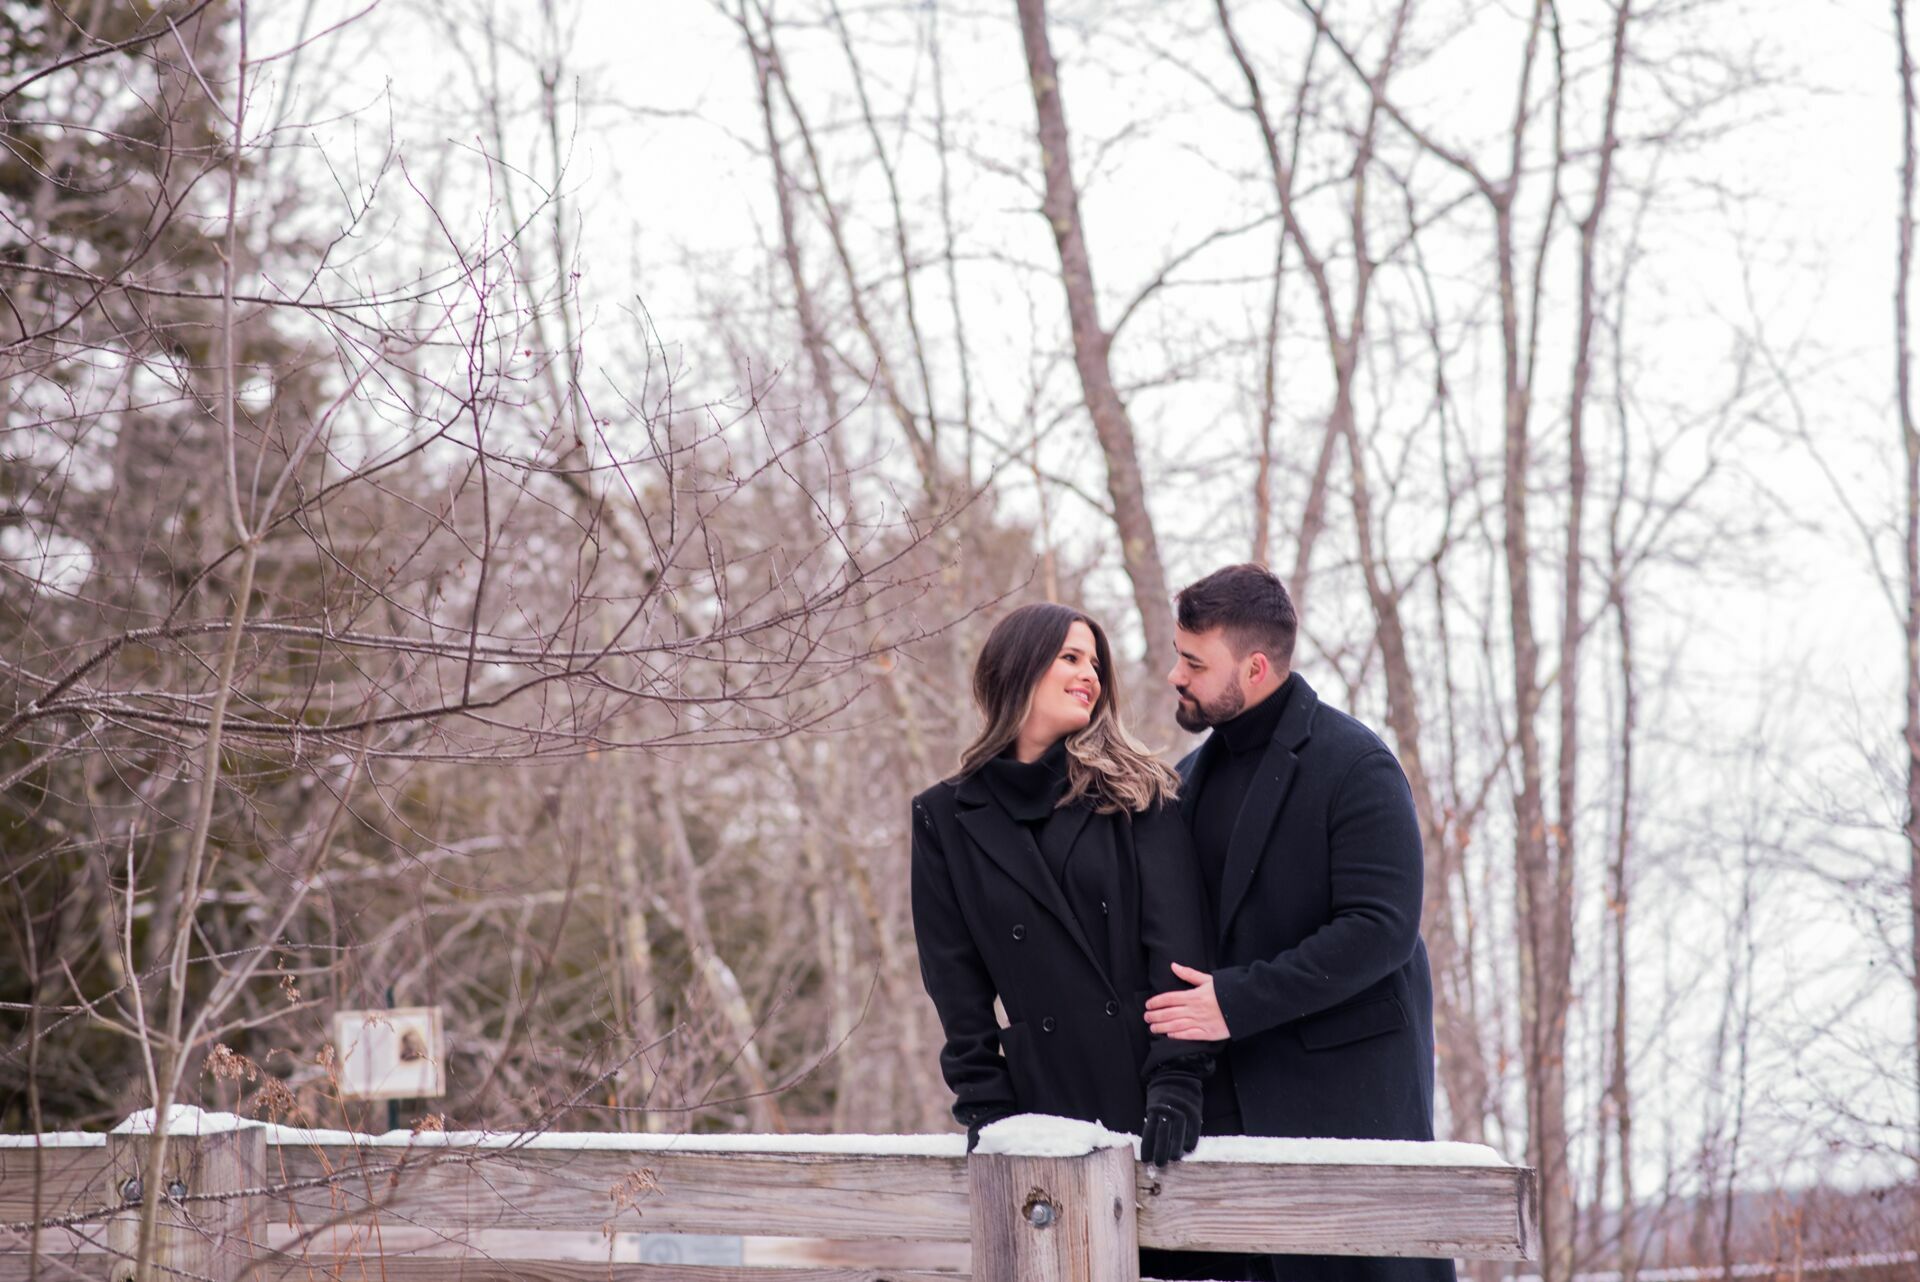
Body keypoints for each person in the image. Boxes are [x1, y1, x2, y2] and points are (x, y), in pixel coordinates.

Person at [1146, 563, 1457, 1282]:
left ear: (1254, 668)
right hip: (1234, 1134)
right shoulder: (1187, 780)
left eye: (1194, 661)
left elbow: (1380, 928)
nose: (1174, 675)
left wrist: (1236, 1002)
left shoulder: (1357, 765)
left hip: (1349, 1117)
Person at [909, 601, 1215, 1169]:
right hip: (1038, 1114)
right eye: (1071, 657)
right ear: (1019, 668)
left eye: (1095, 664)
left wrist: (1178, 1082)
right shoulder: (944, 817)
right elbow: (956, 987)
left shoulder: (1139, 793)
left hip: (1154, 1108)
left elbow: (1177, 953)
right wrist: (986, 1107)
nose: (1090, 676)